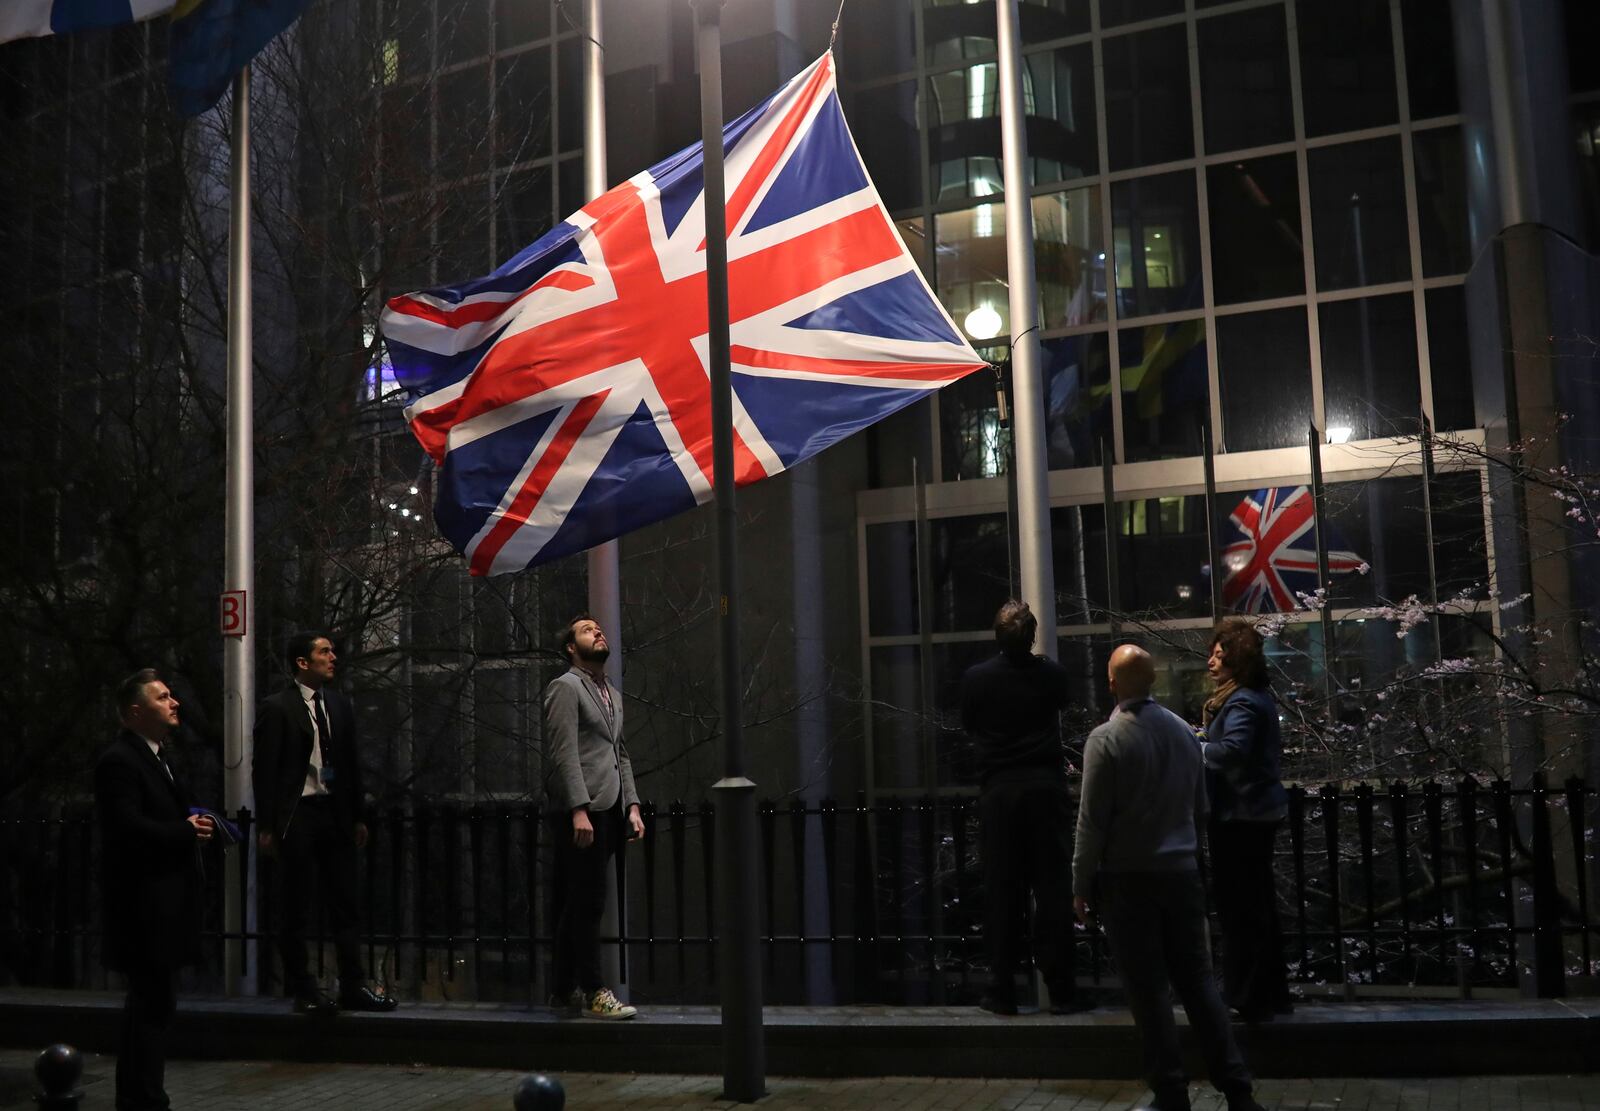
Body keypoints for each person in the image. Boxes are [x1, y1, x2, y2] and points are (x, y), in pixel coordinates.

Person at [1073, 645, 1264, 1111]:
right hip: (1181, 871)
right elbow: (1200, 804)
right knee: (1198, 982)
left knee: (1148, 989)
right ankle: (1237, 1087)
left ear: (1112, 681)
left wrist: (1080, 883)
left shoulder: (1106, 739)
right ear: (1153, 680)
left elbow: (1092, 820)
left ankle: (1170, 1090)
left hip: (1129, 876)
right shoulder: (1183, 733)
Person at [253, 632, 396, 1015]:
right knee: (296, 903)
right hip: (298, 813)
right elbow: (264, 768)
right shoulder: (278, 707)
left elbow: (351, 763)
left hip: (333, 812)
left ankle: (353, 985)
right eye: (324, 652)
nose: (333, 657)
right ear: (302, 661)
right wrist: (267, 824)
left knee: (345, 901)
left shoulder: (339, 705)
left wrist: (357, 815)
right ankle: (304, 989)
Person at [958, 600, 1087, 1016]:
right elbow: (1062, 705)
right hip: (1044, 789)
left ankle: (1001, 987)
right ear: (1031, 636)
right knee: (1051, 891)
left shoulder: (977, 679)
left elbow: (970, 724)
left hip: (999, 791)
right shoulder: (1051, 675)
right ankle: (1062, 988)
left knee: (1002, 891)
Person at [95, 669, 214, 1111]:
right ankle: (142, 1097)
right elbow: (126, 827)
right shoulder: (120, 761)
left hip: (162, 903)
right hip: (143, 907)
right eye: (162, 698)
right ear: (135, 712)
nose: (174, 702)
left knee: (155, 1004)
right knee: (149, 1005)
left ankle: (143, 1094)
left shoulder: (159, 756)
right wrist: (183, 832)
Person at [543, 614, 644, 1020]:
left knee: (577, 903)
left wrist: (633, 805)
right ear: (571, 647)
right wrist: (577, 809)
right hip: (582, 811)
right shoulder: (565, 687)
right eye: (587, 630)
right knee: (588, 903)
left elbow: (620, 753)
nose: (597, 632)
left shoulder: (611, 694)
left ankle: (561, 989)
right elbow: (563, 752)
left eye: (598, 628)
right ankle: (594, 991)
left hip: (610, 808)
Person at [1200, 617, 1292, 1023]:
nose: (1212, 662)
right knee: (1257, 906)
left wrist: (1197, 747)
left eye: (1220, 656)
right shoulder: (1250, 698)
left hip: (1240, 815)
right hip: (1255, 813)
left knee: (1240, 907)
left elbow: (1232, 750)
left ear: (1236, 661)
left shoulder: (1240, 702)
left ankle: (1247, 994)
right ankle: (1268, 993)